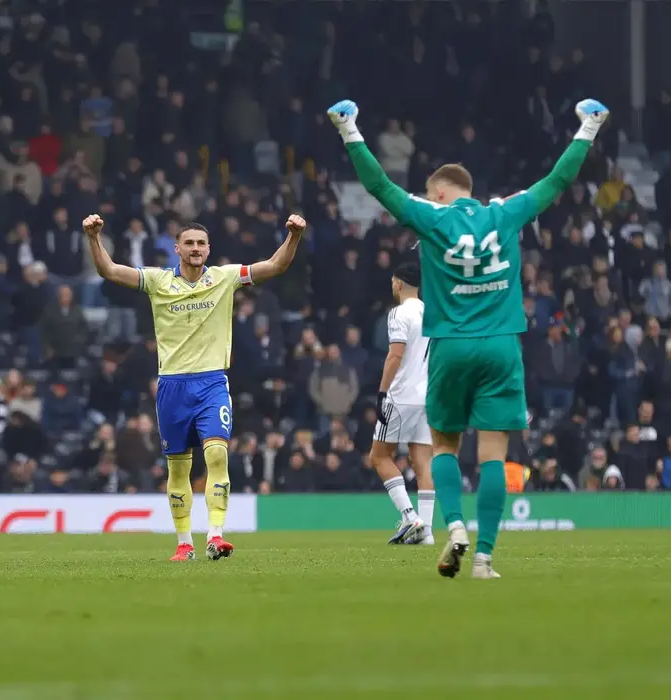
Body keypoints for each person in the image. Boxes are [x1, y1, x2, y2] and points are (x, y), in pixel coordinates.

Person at [328, 97, 608, 579]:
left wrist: (348, 128)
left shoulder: (433, 219)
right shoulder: (505, 214)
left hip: (451, 347)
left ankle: (454, 527)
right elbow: (558, 181)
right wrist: (588, 129)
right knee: (494, 453)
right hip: (501, 345)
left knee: (444, 449)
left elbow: (377, 185)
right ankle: (484, 559)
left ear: (439, 194)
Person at [82, 213, 307, 561]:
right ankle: (184, 543)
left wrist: (293, 236)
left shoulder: (224, 277)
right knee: (178, 468)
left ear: (209, 249)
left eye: (201, 243)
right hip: (172, 386)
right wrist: (95, 237)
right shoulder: (158, 281)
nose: (196, 248)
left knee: (217, 454)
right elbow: (109, 271)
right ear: (177, 249)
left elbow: (276, 265)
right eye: (189, 243)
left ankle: (215, 536)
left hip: (212, 382)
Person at [368, 262, 435, 546]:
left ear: (398, 283)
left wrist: (382, 392)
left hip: (401, 395)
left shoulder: (399, 314)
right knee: (422, 462)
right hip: (428, 395)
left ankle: (410, 516)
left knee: (379, 457)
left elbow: (395, 355)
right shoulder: (432, 313)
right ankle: (427, 532)